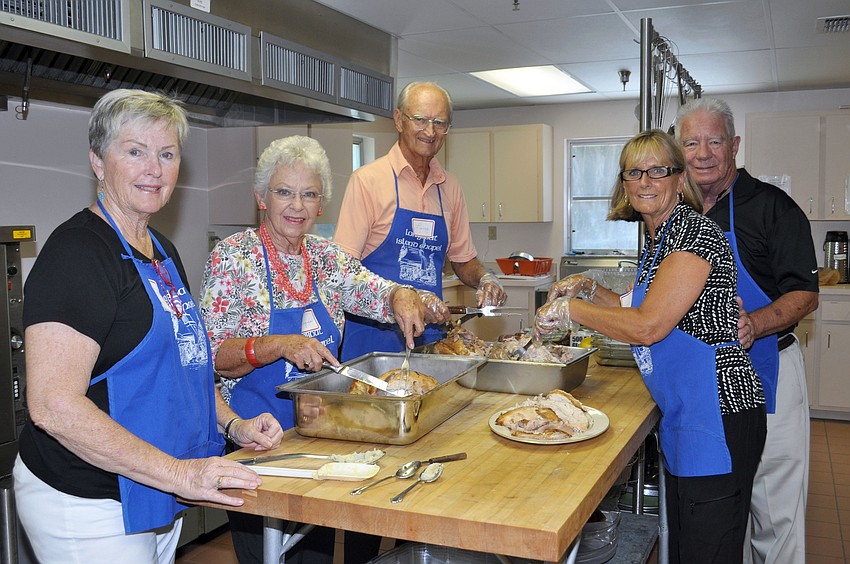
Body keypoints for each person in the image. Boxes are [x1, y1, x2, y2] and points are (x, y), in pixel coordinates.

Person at [12, 89, 284, 564]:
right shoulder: (77, 254)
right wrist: (180, 475)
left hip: (153, 487)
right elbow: (53, 405)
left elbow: (184, 368)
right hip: (89, 499)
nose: (154, 170)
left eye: (167, 154)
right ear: (98, 161)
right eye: (135, 152)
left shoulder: (160, 250)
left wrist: (233, 425)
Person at [536, 129, 767, 563]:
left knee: (708, 552)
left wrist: (573, 310)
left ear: (680, 179)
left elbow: (647, 325)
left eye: (658, 170)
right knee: (685, 547)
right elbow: (635, 304)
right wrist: (588, 288)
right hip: (687, 413)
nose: (645, 180)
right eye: (634, 172)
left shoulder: (693, 234)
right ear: (624, 183)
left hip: (718, 414)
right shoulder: (661, 237)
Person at [199, 135, 429, 564]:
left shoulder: (326, 258)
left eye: (308, 195)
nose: (297, 205)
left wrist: (400, 294)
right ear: (261, 197)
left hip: (320, 442)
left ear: (321, 204)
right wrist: (277, 345)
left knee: (317, 556)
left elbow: (373, 291)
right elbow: (211, 357)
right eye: (284, 192)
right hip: (256, 444)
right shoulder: (233, 259)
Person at [675, 98, 819, 564]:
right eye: (691, 142)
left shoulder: (773, 208)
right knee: (725, 511)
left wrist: (755, 323)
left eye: (714, 141)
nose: (702, 153)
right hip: (708, 386)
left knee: (774, 513)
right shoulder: (681, 217)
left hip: (770, 367)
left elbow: (805, 293)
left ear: (734, 145)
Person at [334, 80, 507, 364]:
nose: (430, 131)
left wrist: (486, 278)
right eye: (421, 120)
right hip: (373, 342)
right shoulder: (368, 181)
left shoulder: (449, 187)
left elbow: (463, 260)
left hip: (430, 342)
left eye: (440, 122)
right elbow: (342, 271)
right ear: (399, 120)